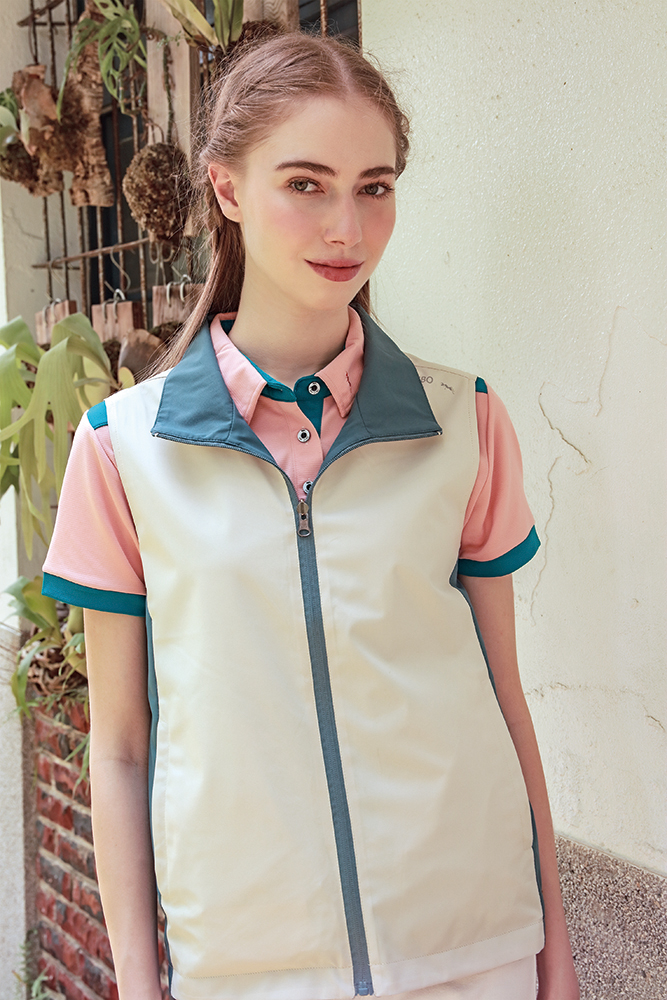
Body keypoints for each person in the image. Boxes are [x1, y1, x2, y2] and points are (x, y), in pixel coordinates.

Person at [42, 31, 580, 1000]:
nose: (347, 227)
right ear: (226, 188)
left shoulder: (464, 421)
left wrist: (554, 954)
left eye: (374, 187)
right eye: (306, 184)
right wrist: (138, 983)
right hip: (248, 966)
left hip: (471, 947)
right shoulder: (124, 450)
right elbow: (118, 748)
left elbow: (504, 700)